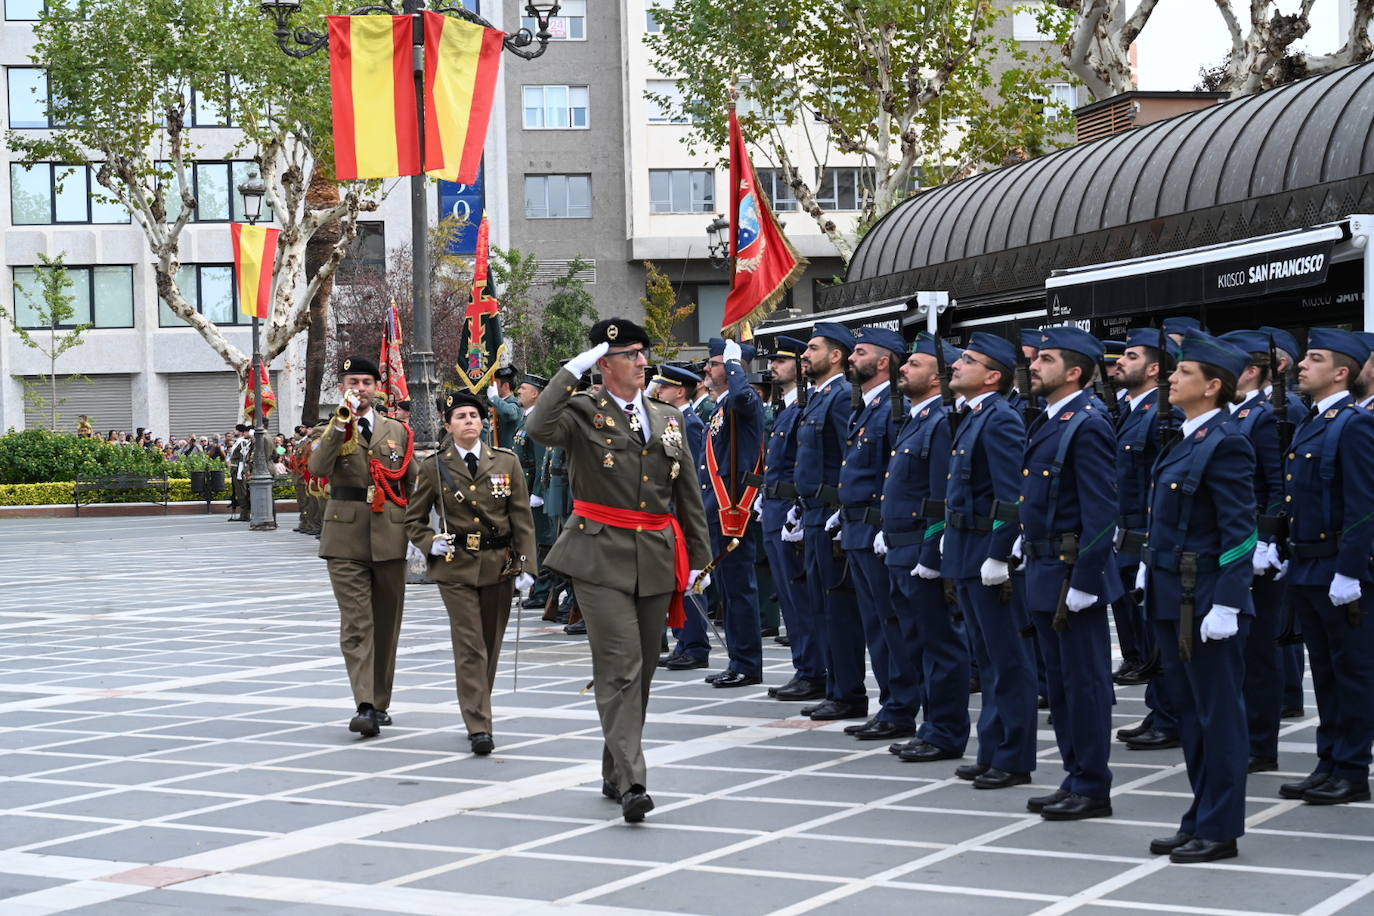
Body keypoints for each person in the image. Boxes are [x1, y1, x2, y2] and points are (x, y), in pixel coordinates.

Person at [526, 318, 711, 823]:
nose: (642, 361)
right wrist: (571, 370)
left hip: (655, 554)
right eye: (631, 354)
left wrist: (699, 558)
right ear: (604, 363)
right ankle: (634, 781)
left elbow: (686, 492)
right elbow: (538, 427)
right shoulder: (583, 411)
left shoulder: (667, 416)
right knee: (622, 668)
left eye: (642, 353)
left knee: (643, 672)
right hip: (598, 555)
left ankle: (613, 770)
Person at [1140, 328, 1256, 864]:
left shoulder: (1226, 440)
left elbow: (1241, 531)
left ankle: (1221, 826)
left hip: (1205, 598)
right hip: (1173, 592)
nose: (1171, 377)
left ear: (1212, 386)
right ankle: (1199, 815)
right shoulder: (1188, 436)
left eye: (1183, 372)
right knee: (1190, 715)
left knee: (1219, 716)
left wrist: (1229, 601)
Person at [1020, 327, 1119, 820]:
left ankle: (1093, 785)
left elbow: (1103, 514)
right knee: (1058, 686)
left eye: (1046, 359)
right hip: (1043, 569)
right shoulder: (1051, 420)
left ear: (1074, 372)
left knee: (1085, 684)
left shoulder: (1087, 423)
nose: (1035, 365)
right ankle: (1074, 774)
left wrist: (1085, 581)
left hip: (1068, 575)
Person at [406, 391, 536, 756]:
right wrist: (429, 541)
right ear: (448, 425)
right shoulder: (435, 466)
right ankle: (479, 723)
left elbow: (521, 519)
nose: (469, 421)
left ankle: (479, 703)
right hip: (456, 566)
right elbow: (413, 517)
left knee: (490, 645)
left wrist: (527, 567)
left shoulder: (506, 462)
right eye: (460, 416)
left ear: (483, 423)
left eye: (474, 416)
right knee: (470, 646)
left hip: (499, 565)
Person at [1280, 328, 1374, 806]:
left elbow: (1365, 503)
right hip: (1308, 566)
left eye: (1313, 359)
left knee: (1352, 671)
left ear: (1341, 372)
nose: (1301, 365)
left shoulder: (1353, 424)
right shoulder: (1313, 421)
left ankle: (1352, 767)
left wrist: (1351, 570)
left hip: (1339, 569)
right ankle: (1329, 760)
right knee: (1326, 671)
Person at [944, 331, 1035, 790]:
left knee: (1006, 660)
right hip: (965, 549)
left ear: (993, 376)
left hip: (985, 552)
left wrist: (1001, 553)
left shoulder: (999, 418)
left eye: (968, 360)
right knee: (986, 658)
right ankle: (992, 748)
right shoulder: (973, 415)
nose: (956, 365)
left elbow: (1010, 496)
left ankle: (1013, 755)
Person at [309, 356, 416, 738]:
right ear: (342, 387)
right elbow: (319, 468)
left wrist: (420, 535)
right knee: (357, 622)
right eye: (353, 381)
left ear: (377, 387)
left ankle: (381, 700)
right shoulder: (332, 428)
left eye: (366, 382)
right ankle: (365, 704)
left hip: (390, 535)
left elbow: (412, 483)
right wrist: (340, 425)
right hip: (345, 538)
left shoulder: (396, 431)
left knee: (386, 625)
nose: (360, 388)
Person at [885, 333, 971, 764]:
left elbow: (941, 496)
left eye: (914, 364)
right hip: (901, 550)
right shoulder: (914, 420)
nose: (903, 368)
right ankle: (930, 725)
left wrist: (931, 555)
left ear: (937, 378)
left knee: (941, 646)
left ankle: (946, 730)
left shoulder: (939, 423)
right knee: (917, 644)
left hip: (922, 552)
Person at [832, 326, 920, 742]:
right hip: (856, 528)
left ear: (883, 362)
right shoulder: (866, 406)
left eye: (860, 352)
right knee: (876, 624)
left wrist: (884, 523)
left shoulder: (890, 408)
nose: (851, 358)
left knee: (891, 622)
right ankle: (890, 701)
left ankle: (901, 705)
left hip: (874, 529)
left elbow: (894, 475)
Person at [1218, 330, 1287, 774]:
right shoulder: (1235, 414)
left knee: (1260, 652)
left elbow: (1277, 487)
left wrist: (1267, 541)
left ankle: (1261, 744)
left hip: (1257, 551)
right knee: (1240, 652)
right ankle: (1245, 735)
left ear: (1251, 371)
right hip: (1234, 546)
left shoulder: (1264, 416)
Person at [1110, 329, 1182, 753]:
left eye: (1131, 355)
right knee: (1149, 630)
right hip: (1127, 536)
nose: (1121, 361)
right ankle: (1161, 709)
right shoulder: (1132, 411)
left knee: (1160, 633)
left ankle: (1170, 715)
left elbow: (1162, 483)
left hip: (1145, 536)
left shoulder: (1163, 414)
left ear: (1154, 369)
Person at [793, 323, 865, 721]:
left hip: (830, 514)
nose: (805, 355)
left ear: (835, 355)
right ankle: (837, 687)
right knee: (822, 606)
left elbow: (845, 459)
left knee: (838, 610)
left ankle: (848, 692)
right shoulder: (819, 398)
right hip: (814, 512)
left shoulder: (838, 398)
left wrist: (838, 506)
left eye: (813, 348)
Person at [760, 336, 824, 700]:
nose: (774, 366)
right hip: (774, 508)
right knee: (788, 595)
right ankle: (805, 666)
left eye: (782, 361)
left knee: (800, 598)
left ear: (801, 367)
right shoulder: (787, 408)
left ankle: (812, 670)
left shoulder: (802, 407)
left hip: (790, 510)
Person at [700, 337, 766, 688]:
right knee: (728, 590)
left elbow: (742, 396)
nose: (708, 369)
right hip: (718, 509)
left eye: (714, 363)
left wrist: (736, 362)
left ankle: (747, 664)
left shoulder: (745, 401)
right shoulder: (721, 407)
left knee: (740, 590)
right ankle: (738, 660)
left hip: (735, 507)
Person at [654, 364, 713, 671]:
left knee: (690, 580)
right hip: (670, 512)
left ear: (679, 391)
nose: (657, 392)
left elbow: (687, 473)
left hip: (683, 514)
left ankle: (695, 645)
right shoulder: (670, 421)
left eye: (663, 388)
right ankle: (684, 641)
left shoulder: (687, 423)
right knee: (677, 581)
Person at [487, 366, 522, 449]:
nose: (492, 387)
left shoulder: (514, 403)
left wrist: (495, 398)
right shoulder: (497, 404)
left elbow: (510, 414)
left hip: (508, 456)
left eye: (495, 384)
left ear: (506, 386)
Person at [226, 425, 253, 522]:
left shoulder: (243, 442)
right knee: (238, 492)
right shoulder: (239, 441)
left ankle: (245, 514)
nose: (234, 432)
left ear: (240, 432)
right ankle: (244, 513)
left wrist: (240, 472)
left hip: (238, 469)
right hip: (235, 469)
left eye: (236, 430)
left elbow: (243, 458)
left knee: (242, 492)